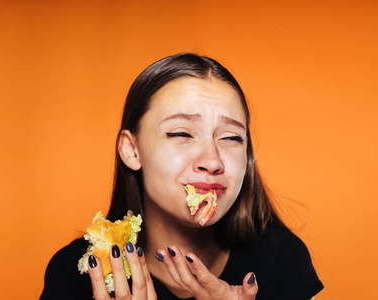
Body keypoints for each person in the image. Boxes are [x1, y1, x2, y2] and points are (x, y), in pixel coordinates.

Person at [40, 53, 324, 300]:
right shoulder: (76, 274)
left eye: (231, 137)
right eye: (181, 134)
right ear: (132, 150)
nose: (212, 161)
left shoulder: (282, 258)